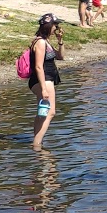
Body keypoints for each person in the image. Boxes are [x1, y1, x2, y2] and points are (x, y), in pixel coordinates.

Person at [29, 13, 65, 149]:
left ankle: (36, 140)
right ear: (49, 26)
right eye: (55, 26)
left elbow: (60, 56)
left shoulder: (46, 41)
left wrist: (60, 41)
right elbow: (38, 66)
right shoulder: (40, 42)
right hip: (44, 80)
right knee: (50, 112)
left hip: (46, 80)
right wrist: (43, 88)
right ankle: (36, 145)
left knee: (42, 112)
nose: (57, 28)